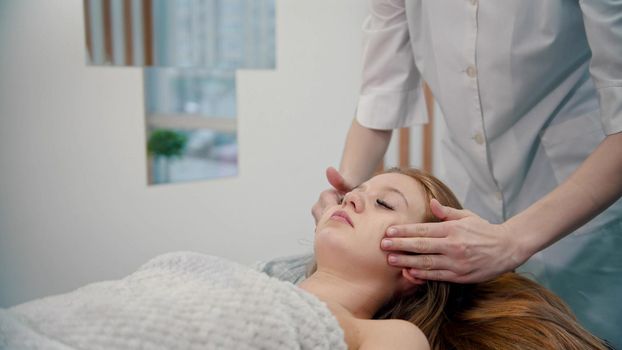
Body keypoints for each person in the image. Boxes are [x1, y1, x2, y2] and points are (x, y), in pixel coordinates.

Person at [311, 1, 622, 346]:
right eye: (361, 194)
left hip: (585, 202)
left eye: (384, 202)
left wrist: (513, 240)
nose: (354, 198)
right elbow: (380, 95)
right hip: (471, 190)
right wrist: (347, 185)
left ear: (412, 274)